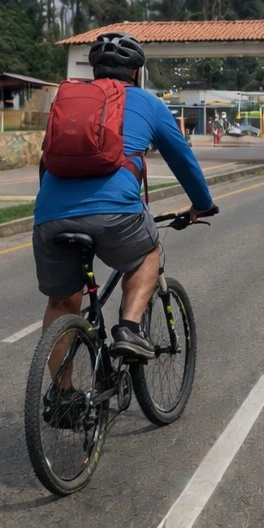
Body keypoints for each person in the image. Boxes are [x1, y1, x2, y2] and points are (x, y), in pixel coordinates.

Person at [32, 32, 215, 361]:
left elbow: (46, 161)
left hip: (50, 215)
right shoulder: (149, 104)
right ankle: (129, 329)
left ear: (95, 70)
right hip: (116, 213)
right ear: (136, 72)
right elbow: (184, 162)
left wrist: (53, 208)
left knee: (62, 303)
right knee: (148, 254)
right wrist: (201, 204)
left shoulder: (70, 103)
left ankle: (63, 397)